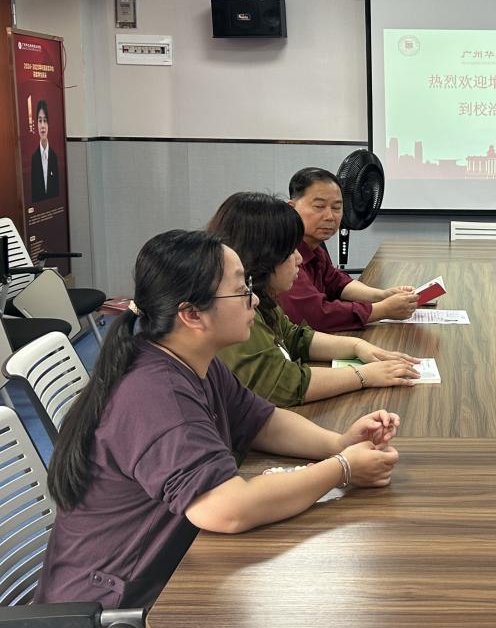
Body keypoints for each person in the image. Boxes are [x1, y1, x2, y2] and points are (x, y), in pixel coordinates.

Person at [36, 230, 402, 609]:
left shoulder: (192, 360)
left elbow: (261, 421)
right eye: (241, 290)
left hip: (165, 572)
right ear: (192, 314)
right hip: (113, 605)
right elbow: (227, 509)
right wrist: (342, 469)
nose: (254, 299)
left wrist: (338, 443)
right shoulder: (155, 395)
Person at [208, 192, 420, 407]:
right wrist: (363, 375)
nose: (299, 258)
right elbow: (284, 386)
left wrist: (356, 345)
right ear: (262, 255)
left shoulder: (259, 296)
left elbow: (294, 337)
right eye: (290, 251)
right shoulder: (234, 311)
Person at [278, 167, 418, 332]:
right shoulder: (283, 253)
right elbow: (316, 316)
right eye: (319, 206)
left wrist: (383, 295)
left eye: (336, 208)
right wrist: (383, 309)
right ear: (291, 207)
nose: (330, 217)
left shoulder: (315, 247)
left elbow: (337, 283)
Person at [30, 99, 60, 202]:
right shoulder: (34, 159)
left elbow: (57, 193)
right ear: (36, 124)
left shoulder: (54, 157)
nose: (42, 125)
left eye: (45, 120)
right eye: (40, 121)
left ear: (48, 124)